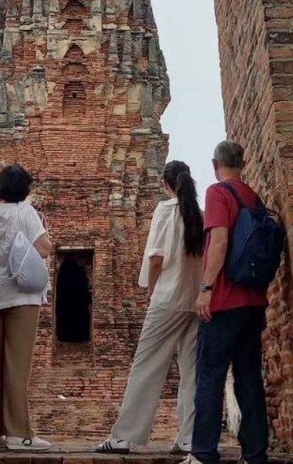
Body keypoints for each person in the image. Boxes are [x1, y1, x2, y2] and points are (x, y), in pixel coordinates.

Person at [94, 160, 205, 455]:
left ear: (165, 184)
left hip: (168, 299)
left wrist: (152, 293)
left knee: (146, 366)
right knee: (192, 370)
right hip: (195, 301)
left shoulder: (166, 210)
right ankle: (188, 439)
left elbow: (155, 259)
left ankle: (124, 437)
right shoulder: (202, 215)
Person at [188, 141, 268, 464]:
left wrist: (206, 287)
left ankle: (204, 453)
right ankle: (255, 453)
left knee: (210, 375)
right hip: (252, 302)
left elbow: (219, 242)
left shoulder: (218, 193)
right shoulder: (253, 196)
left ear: (214, 163)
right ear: (244, 163)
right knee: (249, 377)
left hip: (223, 301)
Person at [0, 164, 53, 451]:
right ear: (25, 188)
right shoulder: (26, 212)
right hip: (22, 296)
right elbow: (44, 248)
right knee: (17, 366)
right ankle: (18, 433)